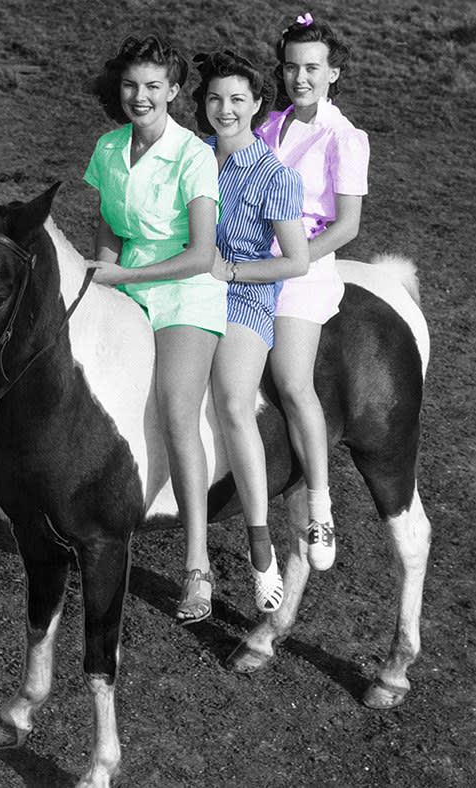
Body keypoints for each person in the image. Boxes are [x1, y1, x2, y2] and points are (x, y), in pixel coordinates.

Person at [84, 35, 227, 625]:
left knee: (175, 409)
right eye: (129, 86)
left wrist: (125, 275)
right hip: (126, 284)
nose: (138, 97)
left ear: (173, 92)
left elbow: (201, 253)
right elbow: (107, 230)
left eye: (151, 87)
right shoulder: (109, 147)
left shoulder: (194, 154)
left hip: (185, 293)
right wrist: (103, 280)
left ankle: (197, 565)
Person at [192, 50, 309, 612]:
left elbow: (296, 260)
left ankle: (259, 546)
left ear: (258, 105)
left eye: (238, 99)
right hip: (185, 292)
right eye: (215, 98)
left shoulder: (274, 175)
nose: (225, 109)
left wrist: (231, 270)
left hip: (244, 297)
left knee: (235, 403)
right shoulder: (191, 160)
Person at [255, 14, 370, 571]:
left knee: (292, 380)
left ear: (334, 74)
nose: (299, 77)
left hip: (306, 266)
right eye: (291, 66)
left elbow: (347, 226)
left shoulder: (344, 137)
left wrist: (291, 259)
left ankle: (321, 506)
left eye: (312, 68)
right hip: (255, 256)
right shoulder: (268, 125)